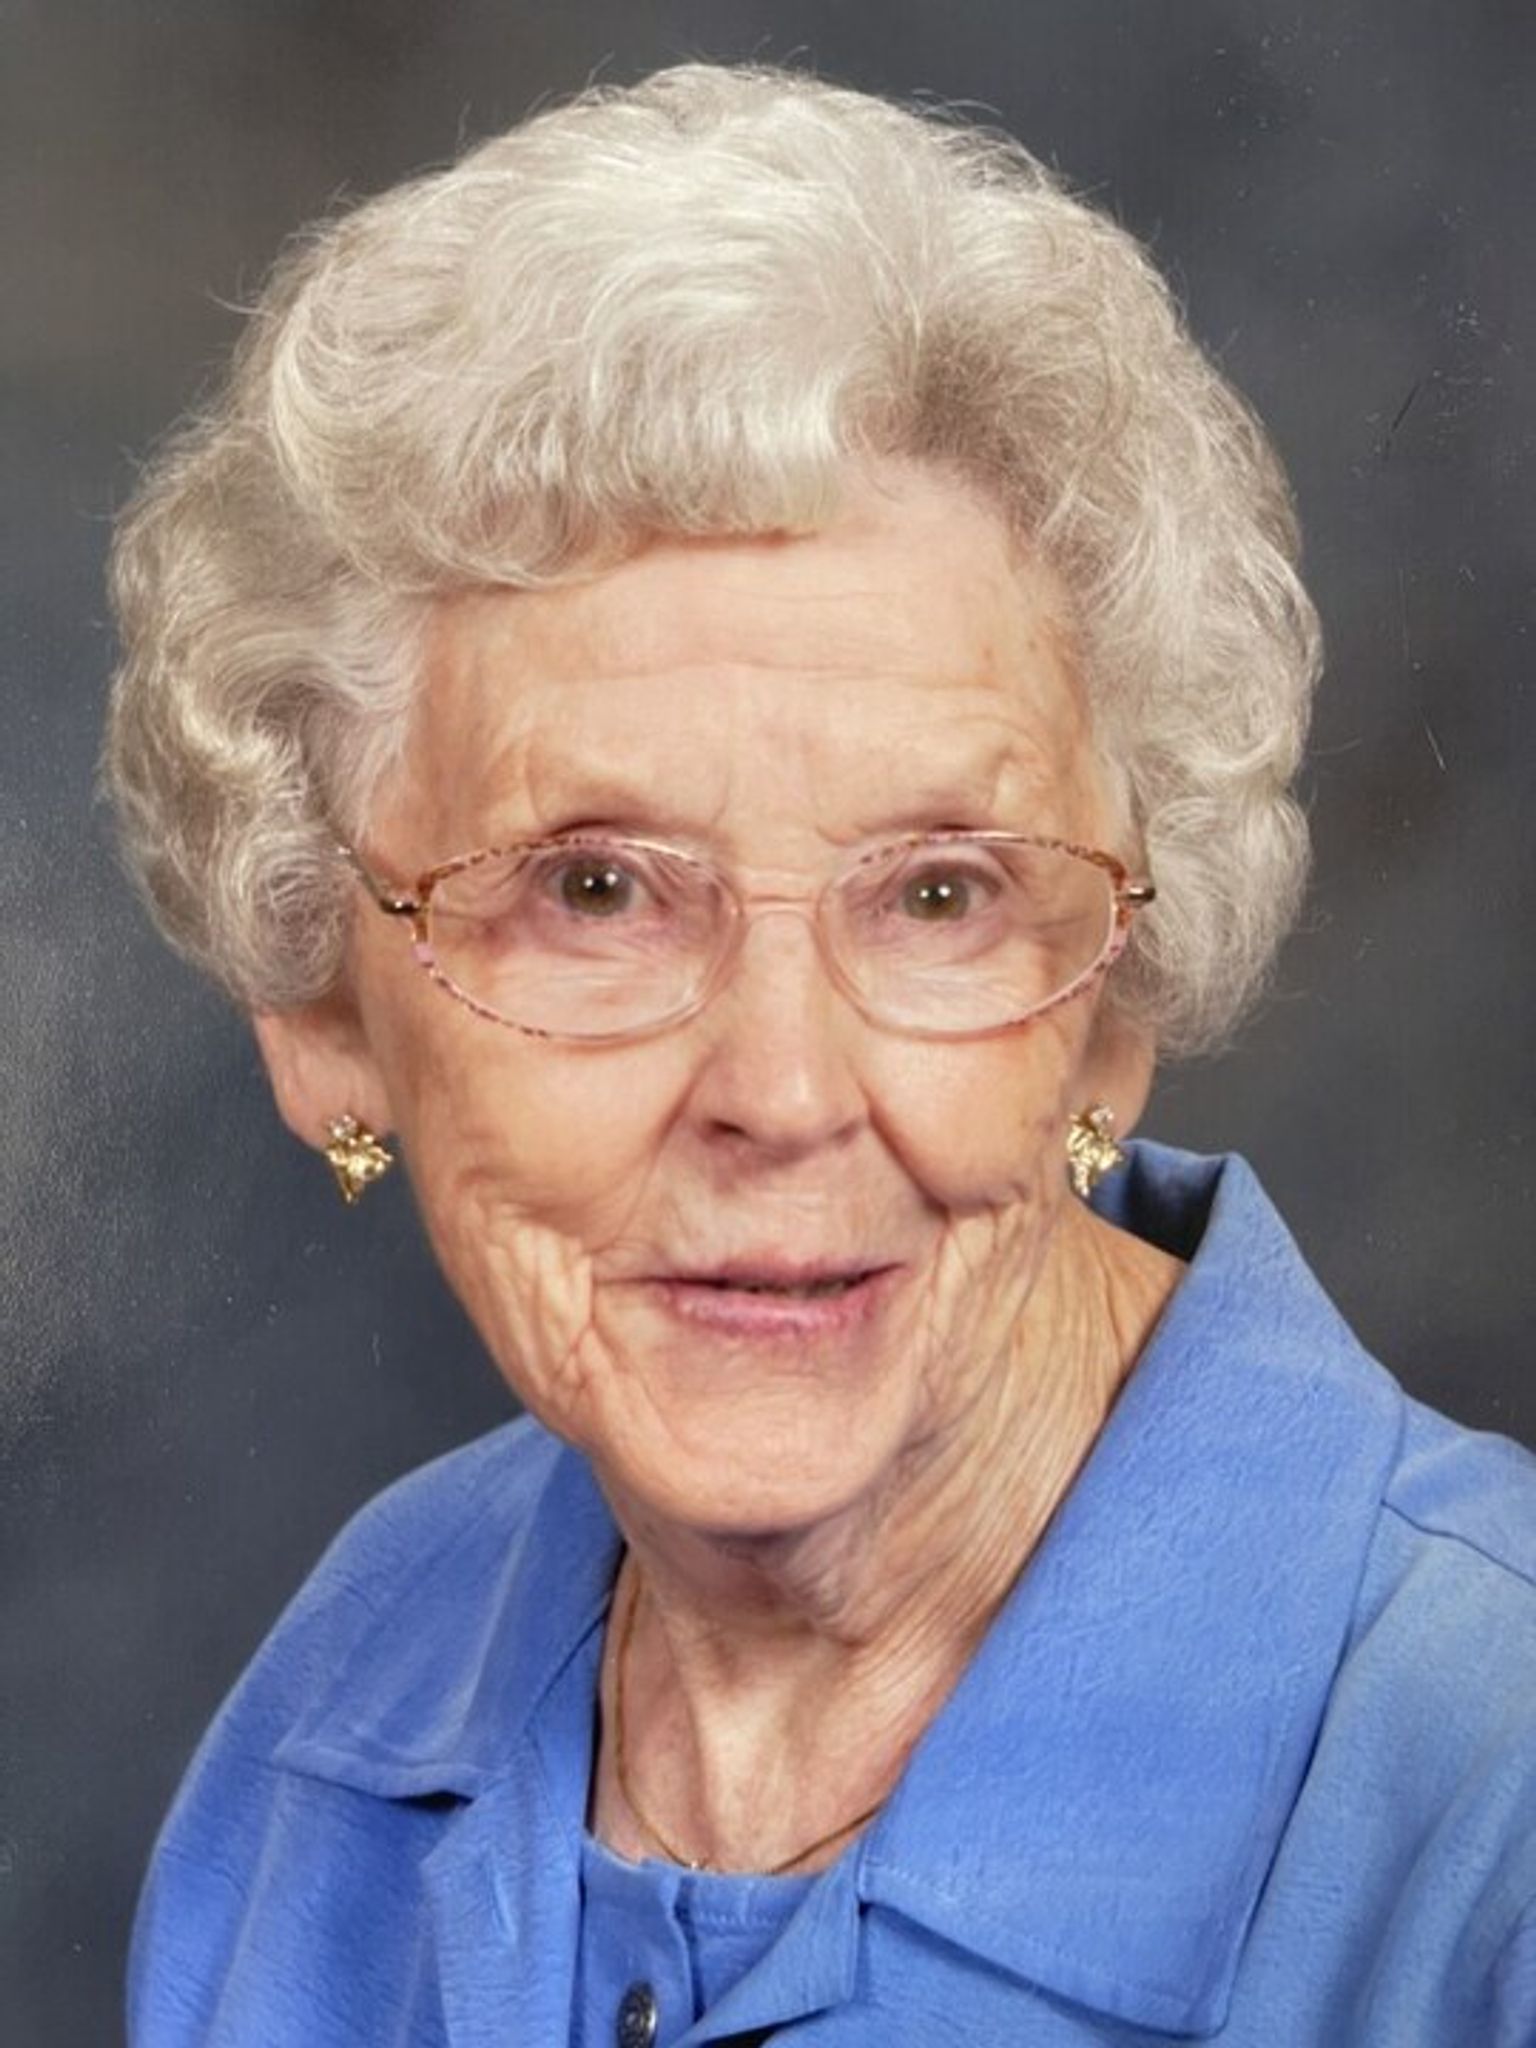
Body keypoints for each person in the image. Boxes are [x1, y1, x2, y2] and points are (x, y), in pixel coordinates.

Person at [106, 62, 1536, 2048]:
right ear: (324, 1014)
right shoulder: (353, 1698)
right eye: (596, 888)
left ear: (1113, 1008)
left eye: (939, 893)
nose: (782, 1093)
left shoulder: (1490, 1797)